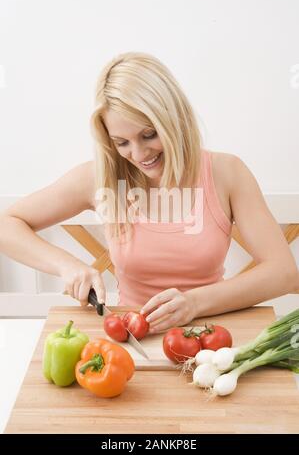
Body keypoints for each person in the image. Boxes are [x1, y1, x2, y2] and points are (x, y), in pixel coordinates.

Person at [0, 52, 298, 334]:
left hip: (211, 336)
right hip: (133, 336)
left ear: (173, 119)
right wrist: (67, 265)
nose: (139, 154)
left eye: (149, 134)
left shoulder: (227, 173)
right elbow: (7, 224)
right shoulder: (99, 177)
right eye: (122, 142)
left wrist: (194, 303)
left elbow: (283, 272)